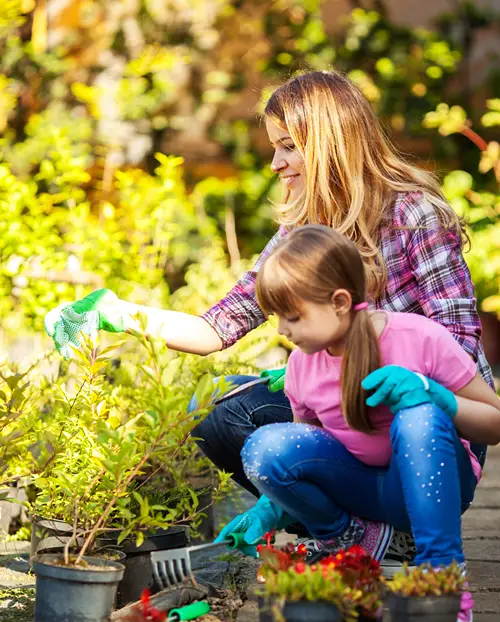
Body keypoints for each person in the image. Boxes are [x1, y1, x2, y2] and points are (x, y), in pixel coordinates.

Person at [44, 70, 494, 575]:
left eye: (288, 147)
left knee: (407, 419)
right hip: (351, 416)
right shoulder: (302, 228)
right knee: (218, 408)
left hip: (429, 417)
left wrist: (353, 356)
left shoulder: (414, 214)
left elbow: (460, 343)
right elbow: (218, 326)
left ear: (328, 142)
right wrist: (117, 313)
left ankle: (411, 531)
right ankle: (349, 534)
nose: (276, 162)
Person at [216, 224, 500, 622]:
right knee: (266, 447)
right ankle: (352, 541)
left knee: (417, 417)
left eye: (292, 317)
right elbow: (304, 452)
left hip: (428, 487)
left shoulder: (418, 337)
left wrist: (433, 395)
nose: (281, 330)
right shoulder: (302, 366)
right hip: (361, 490)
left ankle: (443, 578)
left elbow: (494, 424)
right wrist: (268, 509)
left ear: (339, 303)